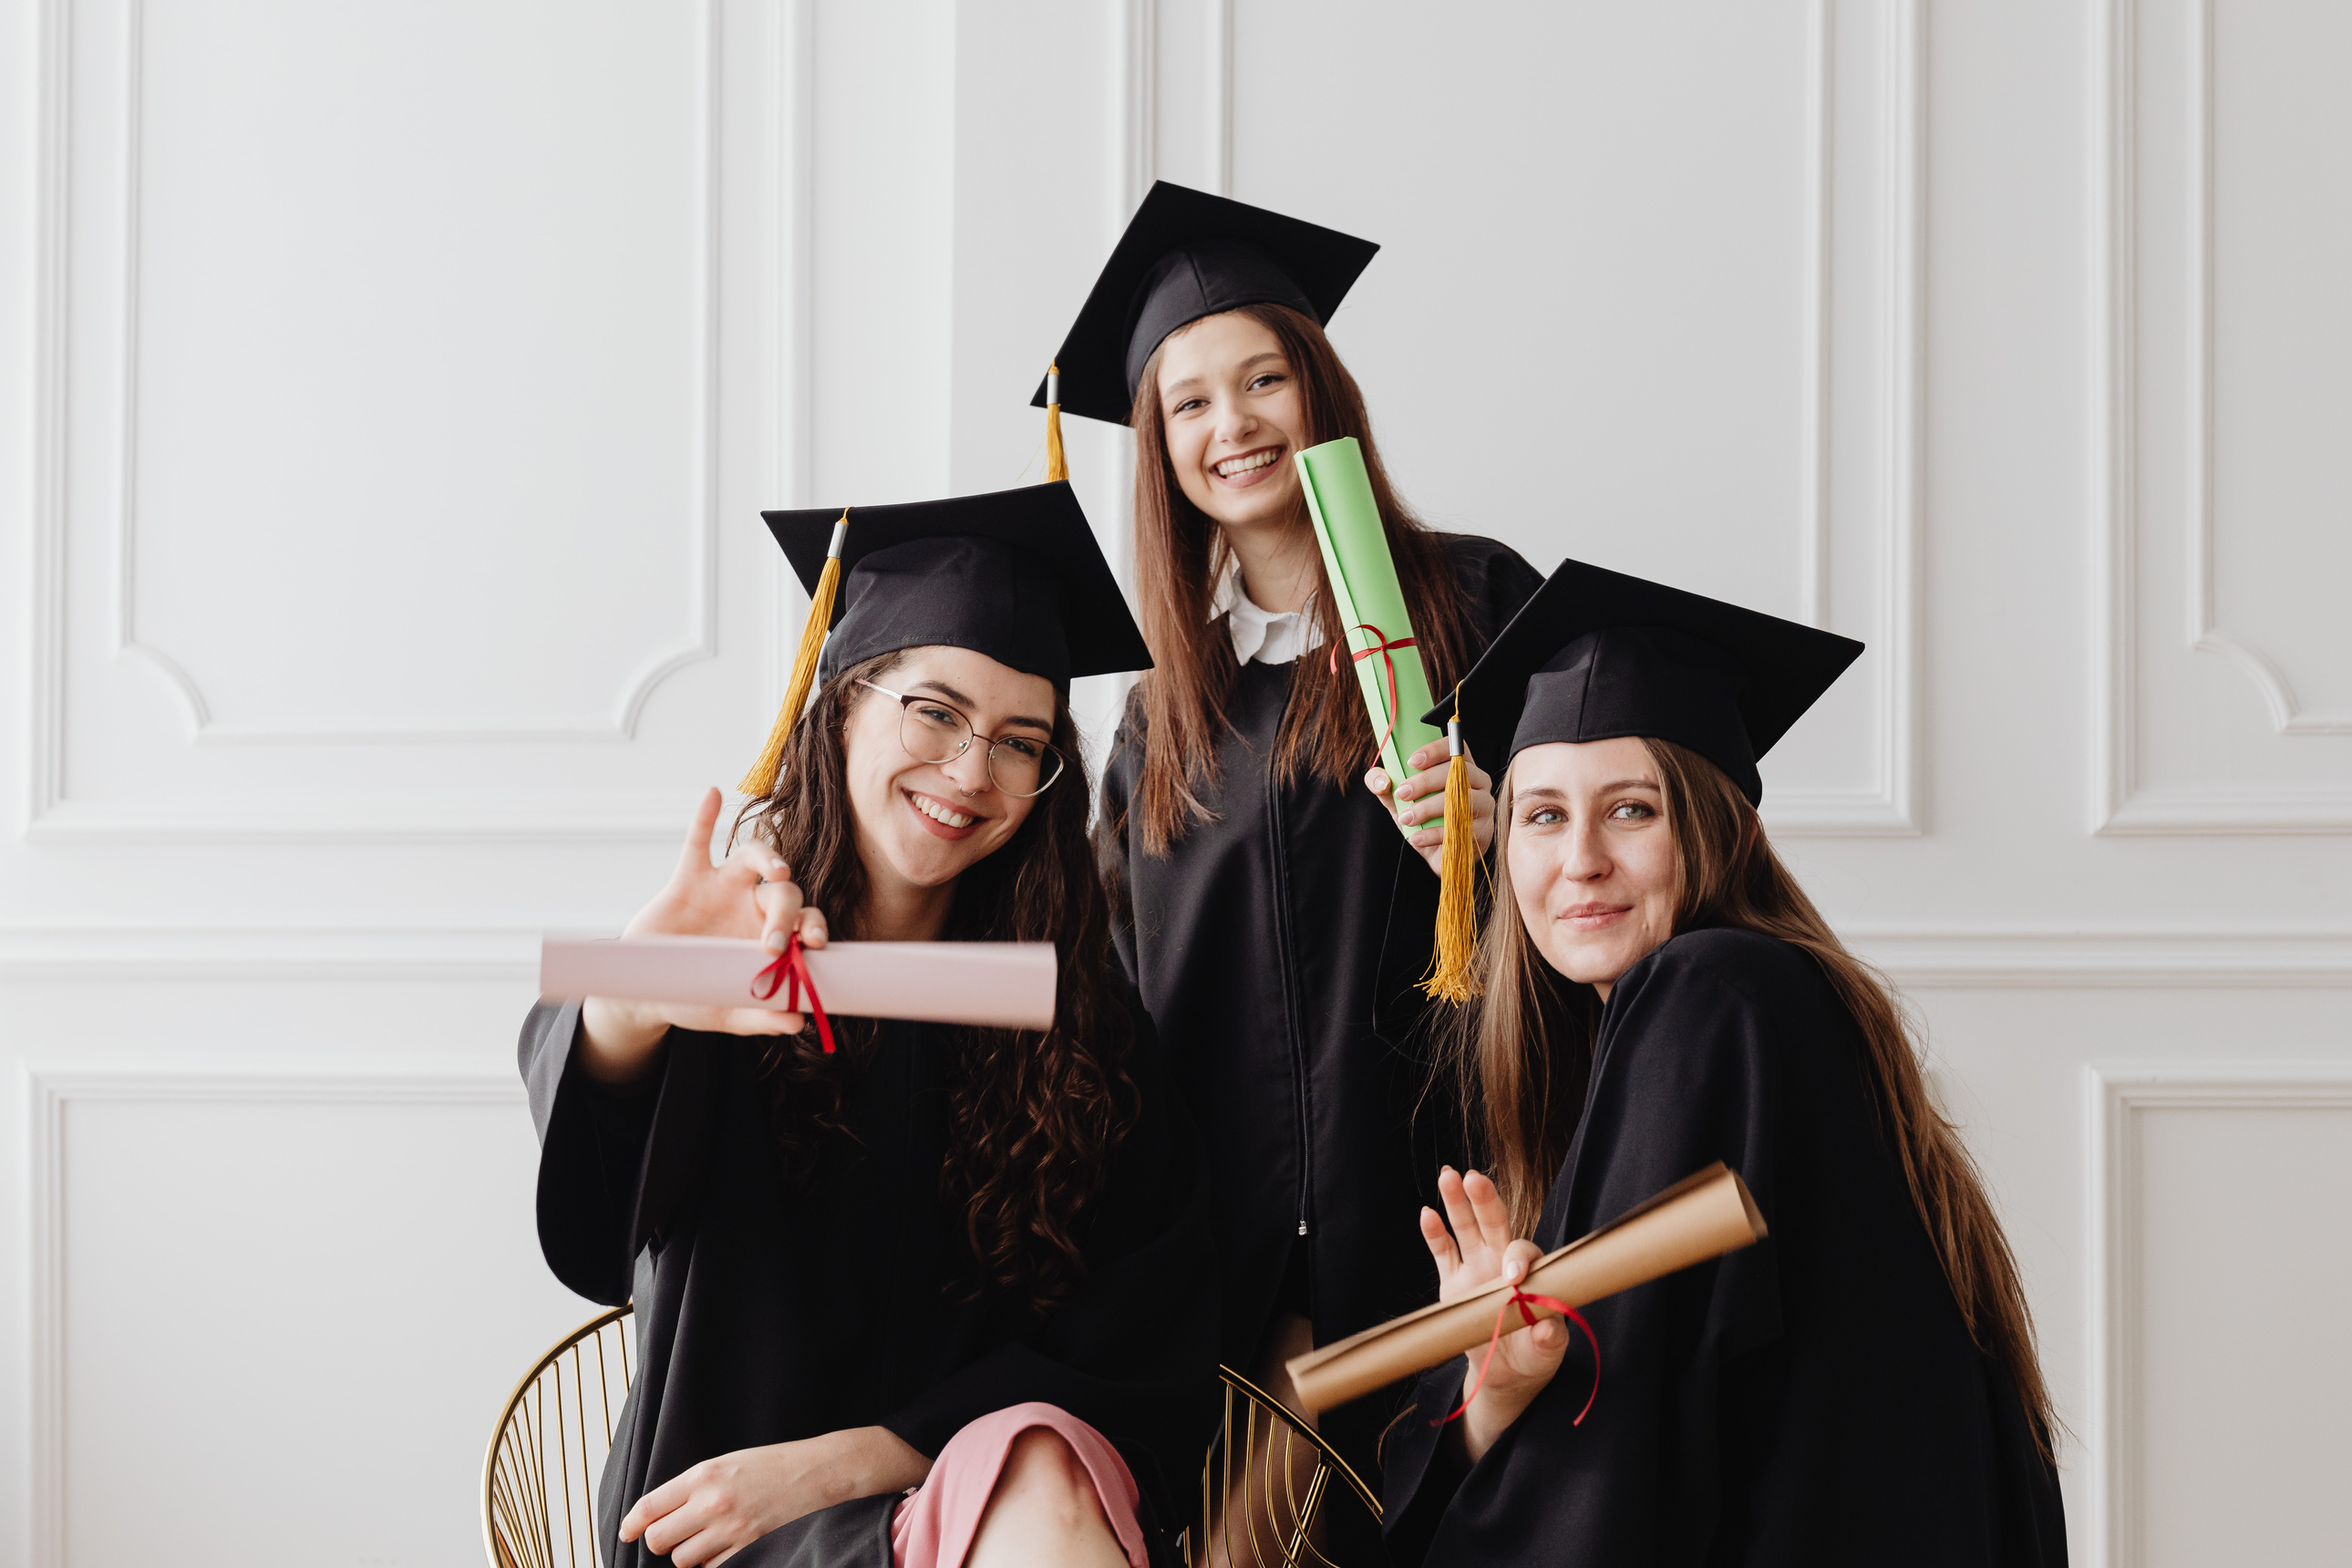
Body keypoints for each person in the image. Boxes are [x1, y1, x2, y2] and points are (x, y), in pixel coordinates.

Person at [520, 485, 1219, 1568]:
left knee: (1034, 1463)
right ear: (843, 701)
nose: (970, 772)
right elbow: (595, 1227)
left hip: (986, 1516)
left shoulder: (1079, 1023)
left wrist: (853, 1459)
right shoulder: (733, 962)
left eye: (1020, 741)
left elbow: (1140, 1340)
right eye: (934, 712)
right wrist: (637, 994)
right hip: (731, 1533)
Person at [1378, 559, 2068, 1565]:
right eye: (1542, 815)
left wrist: (1500, 1413)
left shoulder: (1711, 995)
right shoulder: (1775, 1003)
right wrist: (1502, 1386)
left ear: (1712, 824)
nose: (1579, 862)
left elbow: (1623, 1438)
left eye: (1631, 810)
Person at [1037, 181, 1545, 1525]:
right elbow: (1114, 994)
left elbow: (1629, 870)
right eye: (1189, 403)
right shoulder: (1159, 716)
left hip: (1457, 1216)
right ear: (1157, 448)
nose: (1232, 426)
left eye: (1262, 378)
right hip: (1233, 1270)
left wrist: (1500, 846)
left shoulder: (1479, 606)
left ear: (1320, 392)